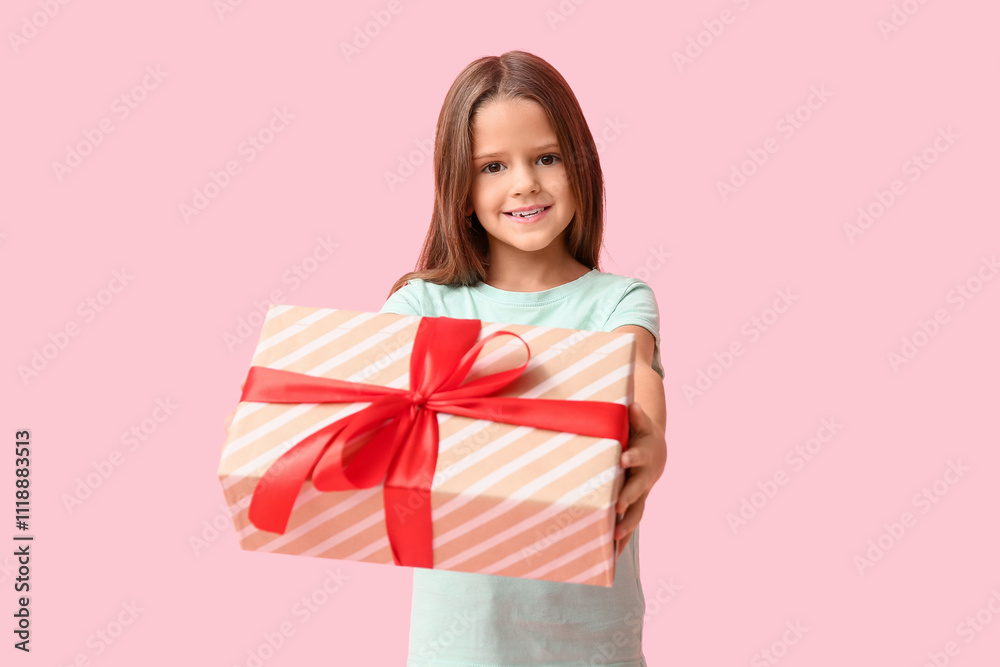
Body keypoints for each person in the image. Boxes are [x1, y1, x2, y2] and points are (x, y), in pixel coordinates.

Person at [378, 50, 668, 666]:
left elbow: (633, 376)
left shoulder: (619, 302)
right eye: (492, 166)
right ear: (460, 188)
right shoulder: (421, 306)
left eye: (547, 158)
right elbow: (360, 398)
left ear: (580, 164)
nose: (524, 183)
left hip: (592, 648)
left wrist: (650, 439)